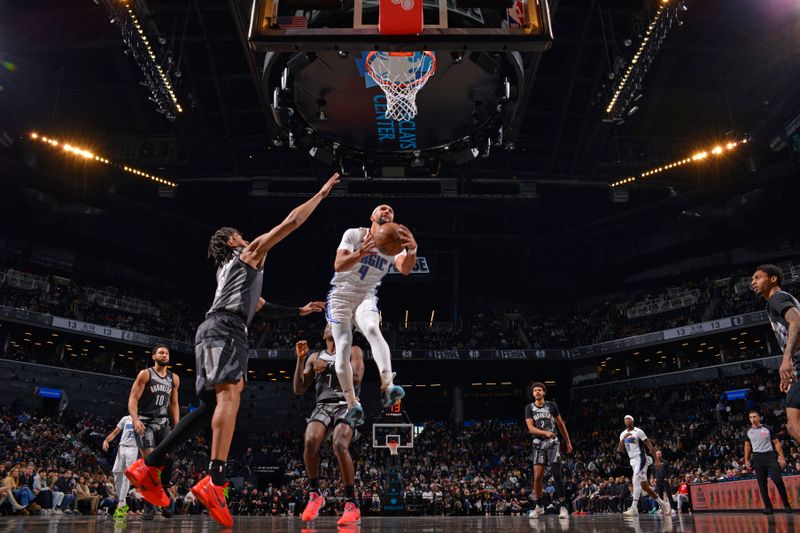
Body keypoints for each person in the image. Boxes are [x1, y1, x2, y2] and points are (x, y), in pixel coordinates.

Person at [126, 173, 340, 528]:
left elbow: (261, 306)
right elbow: (291, 222)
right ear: (230, 242)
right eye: (240, 235)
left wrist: (298, 311)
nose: (247, 238)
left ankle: (148, 466)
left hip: (212, 328)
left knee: (210, 404)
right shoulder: (246, 254)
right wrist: (320, 193)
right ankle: (216, 479)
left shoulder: (227, 273)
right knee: (231, 396)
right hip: (227, 330)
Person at [327, 204, 418, 425]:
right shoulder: (355, 234)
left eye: (391, 211)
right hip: (341, 296)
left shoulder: (395, 243)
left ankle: (387, 385)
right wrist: (361, 253)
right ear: (372, 216)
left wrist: (413, 249)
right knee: (344, 345)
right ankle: (352, 403)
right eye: (382, 209)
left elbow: (405, 269)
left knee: (371, 328)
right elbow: (338, 265)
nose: (387, 212)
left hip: (366, 294)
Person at [293, 325, 365, 526]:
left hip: (348, 402)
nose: (330, 326)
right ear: (324, 334)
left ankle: (352, 503)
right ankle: (315, 494)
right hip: (324, 404)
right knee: (310, 440)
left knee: (340, 444)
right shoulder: (315, 356)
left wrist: (331, 367)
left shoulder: (353, 350)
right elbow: (299, 388)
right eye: (327, 325)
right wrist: (300, 359)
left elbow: (357, 377)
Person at [127, 344, 180, 519]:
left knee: (169, 459)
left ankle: (162, 494)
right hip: (145, 421)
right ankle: (150, 504)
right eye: (161, 352)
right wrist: (135, 420)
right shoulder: (145, 374)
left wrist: (177, 426)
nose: (164, 355)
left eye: (167, 353)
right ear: (154, 356)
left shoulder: (174, 378)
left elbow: (174, 404)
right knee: (150, 464)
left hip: (163, 422)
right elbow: (133, 398)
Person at [751, 264, 800, 442]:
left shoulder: (776, 299)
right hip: (796, 365)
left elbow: (796, 322)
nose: (753, 282)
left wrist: (786, 360)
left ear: (773, 279)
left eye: (757, 277)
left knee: (793, 426)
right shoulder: (783, 299)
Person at [524, 381, 572, 519]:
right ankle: (538, 506)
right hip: (538, 444)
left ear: (544, 392)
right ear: (533, 394)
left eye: (540, 390)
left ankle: (563, 507)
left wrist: (567, 441)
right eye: (535, 391)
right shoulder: (529, 407)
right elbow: (531, 428)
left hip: (553, 443)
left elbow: (560, 424)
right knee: (538, 476)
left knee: (556, 474)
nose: (537, 392)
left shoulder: (552, 405)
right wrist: (545, 433)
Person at [617, 415, 671, 517]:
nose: (626, 420)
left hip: (640, 458)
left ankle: (634, 508)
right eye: (625, 419)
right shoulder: (623, 434)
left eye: (628, 419)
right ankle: (663, 504)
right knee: (644, 486)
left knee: (635, 479)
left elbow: (649, 445)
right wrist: (622, 439)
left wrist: (656, 460)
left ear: (632, 421)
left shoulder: (638, 431)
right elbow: (620, 450)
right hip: (632, 461)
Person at [743, 409, 792, 514]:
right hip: (757, 457)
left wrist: (781, 457)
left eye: (754, 417)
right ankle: (768, 507)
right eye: (751, 417)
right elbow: (747, 446)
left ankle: (786, 504)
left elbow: (776, 442)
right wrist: (746, 459)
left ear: (759, 417)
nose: (752, 419)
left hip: (770, 456)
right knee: (762, 483)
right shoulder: (748, 431)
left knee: (777, 479)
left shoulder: (767, 428)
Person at [103, 414, 139, 518]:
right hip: (122, 447)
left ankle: (121, 503)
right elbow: (115, 432)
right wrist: (106, 440)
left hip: (133, 448)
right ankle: (122, 502)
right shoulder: (125, 418)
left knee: (127, 475)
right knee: (116, 473)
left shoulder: (143, 419)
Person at [652, 450, 676, 515]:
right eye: (657, 454)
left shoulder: (665, 462)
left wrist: (667, 478)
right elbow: (653, 472)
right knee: (660, 496)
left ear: (661, 455)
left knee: (669, 495)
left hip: (664, 481)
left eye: (660, 454)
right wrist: (655, 478)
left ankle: (673, 509)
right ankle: (661, 509)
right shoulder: (654, 463)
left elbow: (670, 471)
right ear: (655, 455)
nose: (658, 455)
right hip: (658, 482)